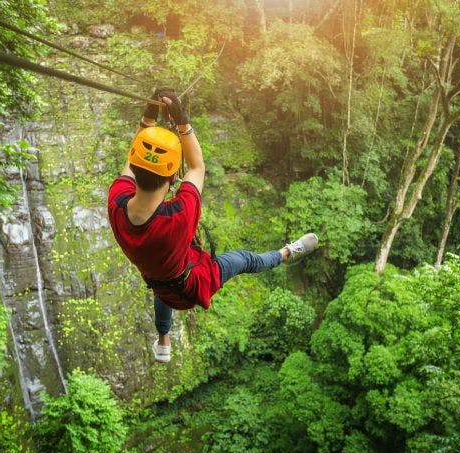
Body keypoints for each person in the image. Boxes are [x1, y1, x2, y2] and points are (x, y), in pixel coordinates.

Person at [107, 89, 318, 362]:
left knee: (163, 291)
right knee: (244, 260)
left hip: (159, 280)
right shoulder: (178, 216)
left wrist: (149, 121)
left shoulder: (116, 203)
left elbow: (135, 163)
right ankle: (286, 254)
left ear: (135, 169)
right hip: (193, 284)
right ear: (173, 177)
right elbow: (197, 167)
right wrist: (181, 119)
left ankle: (163, 342)